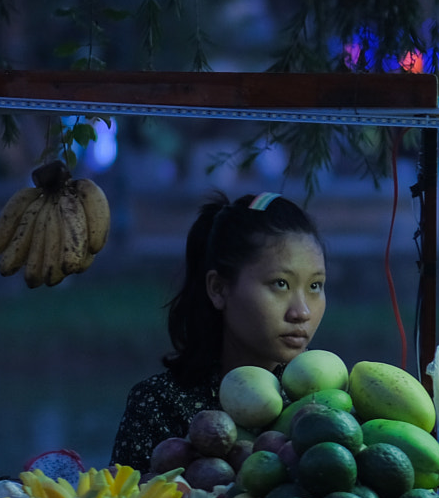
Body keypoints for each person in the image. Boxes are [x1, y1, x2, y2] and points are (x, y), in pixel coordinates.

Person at [109, 192, 327, 470]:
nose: (302, 312)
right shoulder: (160, 404)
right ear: (219, 289)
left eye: (315, 286)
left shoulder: (323, 405)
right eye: (280, 284)